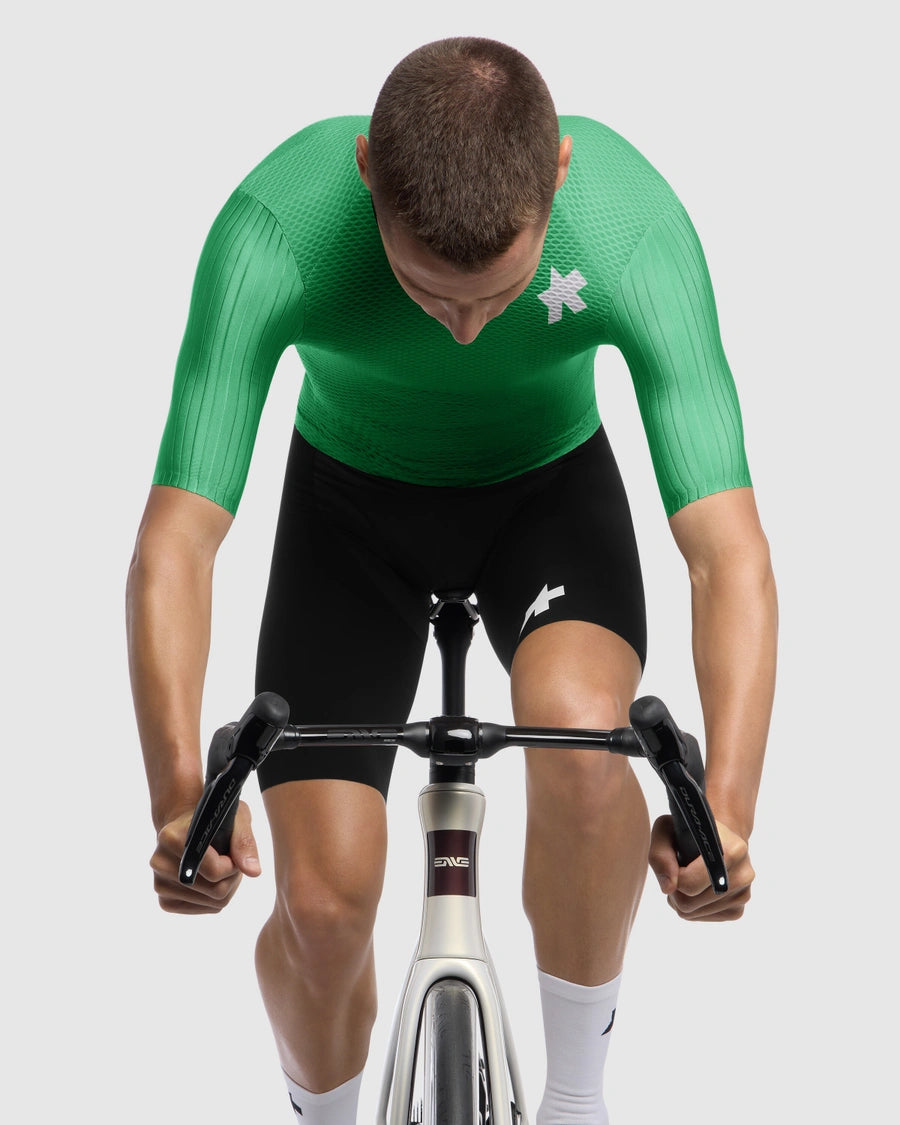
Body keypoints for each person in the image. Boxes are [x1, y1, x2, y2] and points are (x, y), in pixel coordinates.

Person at [126, 37, 777, 1125]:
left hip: (548, 505)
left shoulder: (628, 225)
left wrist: (730, 816)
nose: (468, 329)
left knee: (586, 739)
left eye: (500, 294)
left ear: (558, 175)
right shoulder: (280, 226)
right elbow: (175, 545)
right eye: (429, 294)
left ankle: (575, 1101)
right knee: (323, 908)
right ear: (366, 174)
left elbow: (729, 551)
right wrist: (179, 798)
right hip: (349, 520)